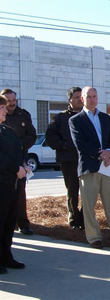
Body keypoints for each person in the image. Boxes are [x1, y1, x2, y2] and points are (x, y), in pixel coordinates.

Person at [69, 86, 110, 249]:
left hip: (107, 167)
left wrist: (109, 152)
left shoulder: (105, 118)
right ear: (82, 99)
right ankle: (94, 238)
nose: (92, 99)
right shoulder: (75, 120)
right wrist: (101, 154)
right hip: (89, 168)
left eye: (94, 96)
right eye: (88, 96)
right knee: (89, 206)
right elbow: (80, 144)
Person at [46, 87, 84, 230]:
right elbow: (50, 137)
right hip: (68, 160)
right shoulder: (60, 118)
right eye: (76, 97)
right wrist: (64, 145)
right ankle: (74, 219)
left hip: (86, 160)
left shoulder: (88, 115)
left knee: (88, 191)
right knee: (72, 191)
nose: (79, 99)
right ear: (69, 100)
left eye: (81, 96)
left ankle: (85, 218)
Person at [0, 94, 30, 274]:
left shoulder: (7, 131)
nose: (6, 110)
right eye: (2, 108)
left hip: (12, 185)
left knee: (9, 221)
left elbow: (19, 150)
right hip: (2, 183)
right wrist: (15, 168)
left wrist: (24, 165)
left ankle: (6, 256)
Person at [1, 89, 37, 236]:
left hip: (20, 158)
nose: (11, 103)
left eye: (14, 100)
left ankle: (23, 223)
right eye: (7, 101)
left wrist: (20, 146)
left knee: (20, 194)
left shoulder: (23, 115)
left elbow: (32, 134)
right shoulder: (3, 120)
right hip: (7, 165)